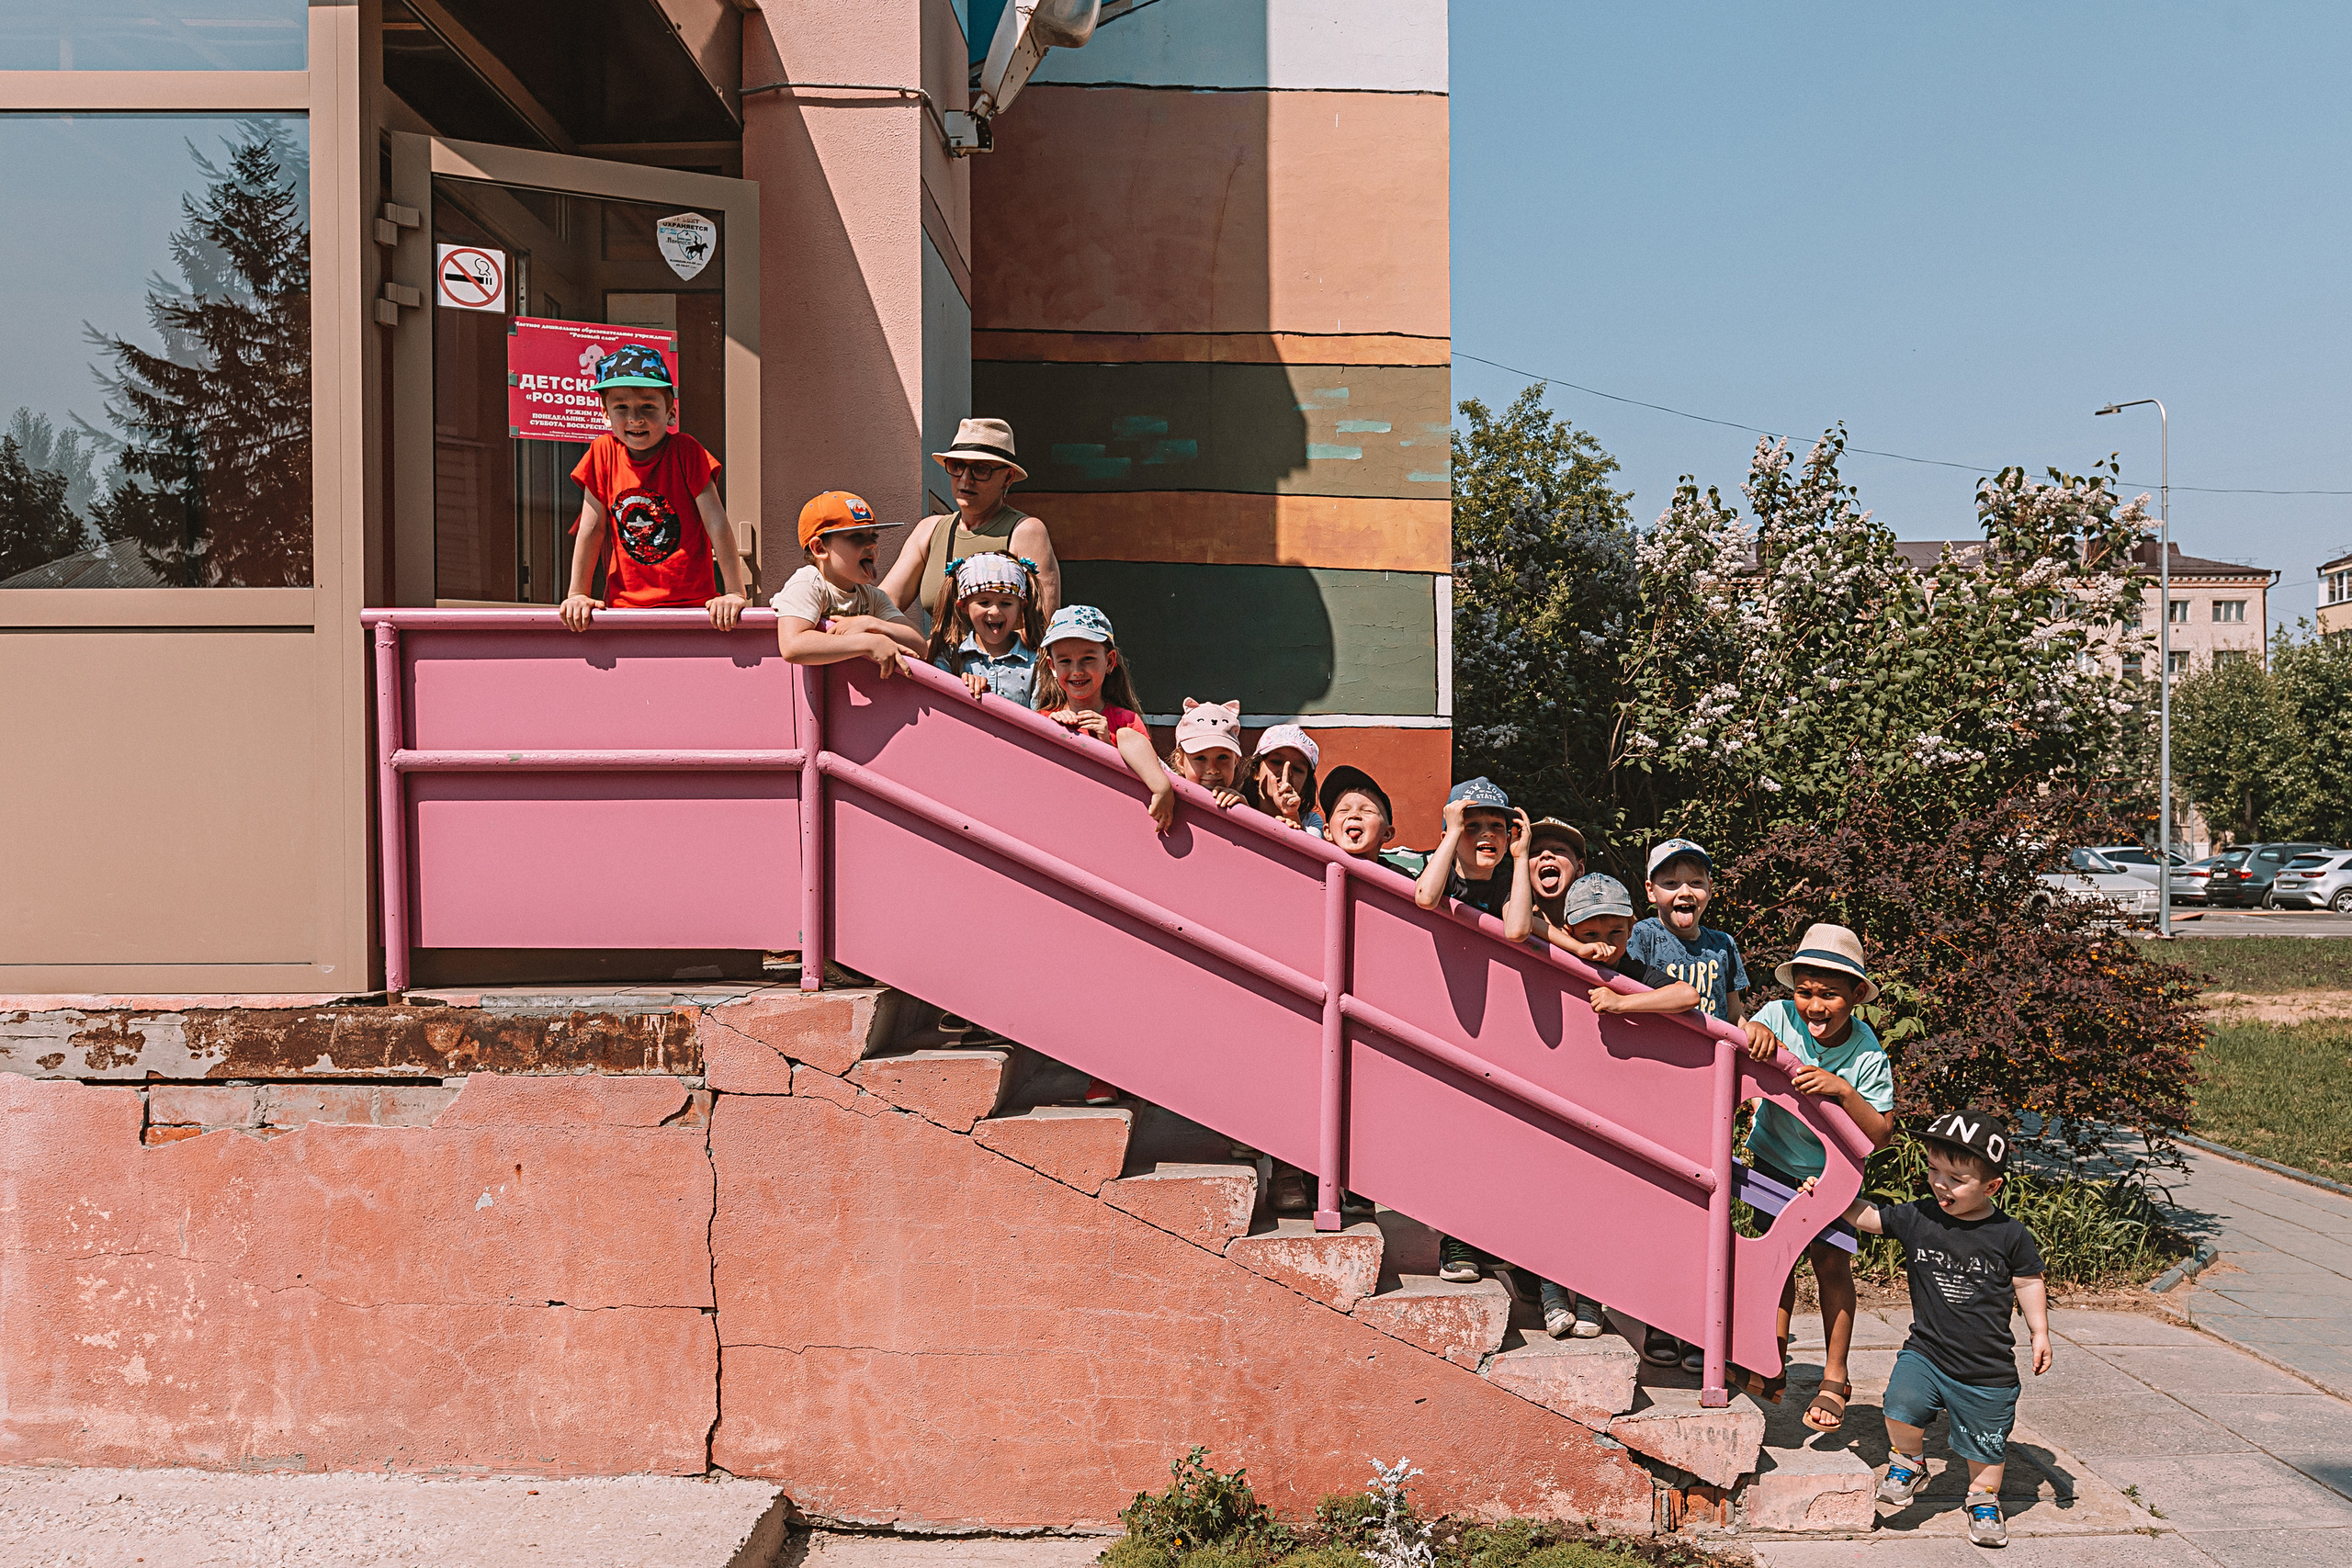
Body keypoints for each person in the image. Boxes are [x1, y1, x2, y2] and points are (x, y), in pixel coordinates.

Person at [1848, 1110, 2050, 1551]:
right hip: (1927, 1351)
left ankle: (1982, 1500)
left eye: (1956, 1178)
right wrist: (1830, 1198)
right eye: (1934, 1170)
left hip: (1986, 1368)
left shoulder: (2009, 1235)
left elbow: (2029, 1280)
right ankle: (1909, 1461)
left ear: (1991, 1186)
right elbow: (1873, 1218)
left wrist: (2039, 1331)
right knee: (1900, 1404)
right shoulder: (1921, 1217)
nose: (1941, 1184)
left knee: (1985, 1447)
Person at [1517, 873, 1706, 1337]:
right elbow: (1520, 922)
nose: (1605, 945)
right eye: (1591, 935)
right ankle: (1553, 1290)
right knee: (1557, 1198)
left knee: (1601, 1204)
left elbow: (1687, 995)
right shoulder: (1562, 958)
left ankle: (1594, 1301)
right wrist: (1574, 950)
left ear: (1632, 927)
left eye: (1616, 933)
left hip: (1614, 1102)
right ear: (1571, 931)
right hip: (1562, 1091)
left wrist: (1624, 1003)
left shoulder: (1635, 971)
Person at [1738, 923, 1896, 1429]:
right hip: (1774, 1160)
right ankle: (1770, 1354)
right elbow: (1739, 1039)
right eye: (1804, 992)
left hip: (1832, 1177)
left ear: (1856, 996)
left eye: (1829, 994)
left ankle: (1835, 1374)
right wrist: (1750, 1027)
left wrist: (1843, 1092)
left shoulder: (1866, 1052)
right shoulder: (1778, 1017)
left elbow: (1880, 1135)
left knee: (1830, 1266)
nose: (1814, 1006)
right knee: (1774, 1263)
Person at [559, 344, 751, 631]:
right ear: (605, 414)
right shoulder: (602, 452)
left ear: (671, 414)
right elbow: (592, 529)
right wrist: (578, 594)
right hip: (625, 609)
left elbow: (716, 523)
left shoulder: (686, 451)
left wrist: (735, 592)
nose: (635, 418)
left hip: (694, 608)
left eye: (648, 406)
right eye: (621, 407)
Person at [882, 418, 1063, 624]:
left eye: (981, 469)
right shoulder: (930, 530)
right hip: (935, 655)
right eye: (957, 466)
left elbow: (1042, 623)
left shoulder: (1025, 531)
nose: (966, 479)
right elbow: (885, 603)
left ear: (1008, 478)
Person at [1032, 604, 1176, 836]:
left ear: (1109, 662)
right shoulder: (1043, 719)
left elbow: (1130, 782)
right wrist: (1052, 732)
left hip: (1111, 824)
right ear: (1052, 666)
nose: (1077, 670)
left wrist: (1107, 744)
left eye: (1088, 658)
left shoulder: (1125, 721)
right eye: (1065, 661)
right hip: (1060, 824)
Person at [774, 491, 929, 672]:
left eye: (874, 536)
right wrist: (868, 642)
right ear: (819, 548)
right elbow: (793, 646)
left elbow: (920, 646)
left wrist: (871, 623)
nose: (871, 545)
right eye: (856, 537)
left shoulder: (873, 597)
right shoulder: (807, 584)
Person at [1627, 838, 1748, 1024]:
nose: (1685, 892)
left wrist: (1753, 1028)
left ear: (1710, 888)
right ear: (1651, 891)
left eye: (1696, 882)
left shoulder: (1724, 944)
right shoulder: (1642, 935)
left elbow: (1735, 1016)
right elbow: (1627, 992)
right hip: (1658, 1047)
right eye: (1671, 883)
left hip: (1713, 1052)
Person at [928, 550, 1044, 708]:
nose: (995, 611)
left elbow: (1041, 720)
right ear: (964, 606)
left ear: (1021, 607)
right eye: (984, 603)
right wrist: (960, 686)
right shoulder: (950, 658)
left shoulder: (1035, 663)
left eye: (1006, 603)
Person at [1414, 778, 1516, 918]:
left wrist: (1520, 857)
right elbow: (1425, 898)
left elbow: (1518, 930)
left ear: (1507, 842)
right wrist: (1454, 831)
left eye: (1496, 825)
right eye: (1472, 825)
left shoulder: (1505, 884)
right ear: (1449, 840)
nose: (1488, 833)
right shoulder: (1444, 875)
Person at [1319, 765, 1428, 876]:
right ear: (1328, 832)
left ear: (1387, 833)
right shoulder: (1316, 870)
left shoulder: (1398, 878)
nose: (1354, 815)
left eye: (1367, 811)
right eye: (1344, 810)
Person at [1502, 817, 1589, 948]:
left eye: (1559, 850)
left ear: (1580, 868)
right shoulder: (1508, 915)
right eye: (1535, 852)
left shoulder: (1595, 927)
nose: (1546, 854)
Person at [1167, 699, 1246, 807]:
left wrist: (1245, 811)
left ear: (1235, 760)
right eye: (1200, 758)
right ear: (1180, 762)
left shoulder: (1237, 803)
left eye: (1222, 757)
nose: (1212, 770)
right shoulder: (1167, 800)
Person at [1246, 725, 1322, 832]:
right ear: (1256, 771)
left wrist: (1291, 816)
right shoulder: (1239, 804)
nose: (1286, 772)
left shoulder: (1310, 822)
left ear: (1306, 786)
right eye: (1276, 762)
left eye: (1297, 769)